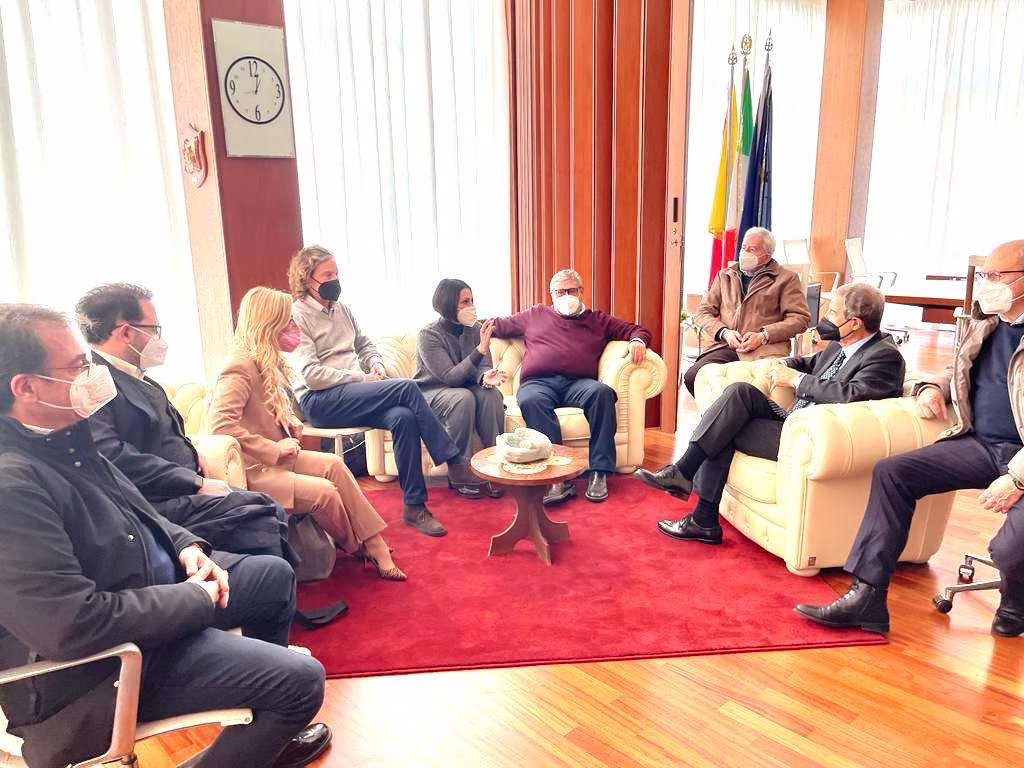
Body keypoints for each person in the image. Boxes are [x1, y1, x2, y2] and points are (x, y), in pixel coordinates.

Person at [0, 304, 330, 768]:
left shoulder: (65, 438)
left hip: (150, 598)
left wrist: (185, 545)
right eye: (77, 367)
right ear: (26, 387)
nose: (91, 375)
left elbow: (135, 505)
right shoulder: (12, 485)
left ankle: (260, 743)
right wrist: (193, 597)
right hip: (100, 670)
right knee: (302, 680)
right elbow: (72, 625)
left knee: (272, 576)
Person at [796, 240, 1024, 637]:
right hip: (983, 445)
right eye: (985, 274)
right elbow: (958, 368)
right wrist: (932, 387)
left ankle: (1017, 603)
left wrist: (1018, 478)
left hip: (1021, 459)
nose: (986, 284)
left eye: (996, 276)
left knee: (1007, 551)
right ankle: (866, 597)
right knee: (894, 473)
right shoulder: (986, 322)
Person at [639, 283, 903, 544]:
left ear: (854, 323)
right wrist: (781, 363)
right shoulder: (840, 345)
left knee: (724, 427)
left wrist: (796, 380)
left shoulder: (884, 357)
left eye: (833, 312)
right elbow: (809, 363)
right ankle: (687, 484)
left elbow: (852, 395)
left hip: (812, 439)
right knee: (740, 393)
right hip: (793, 421)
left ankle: (698, 507)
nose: (825, 317)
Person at [75, 284, 289, 559]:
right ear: (126, 332)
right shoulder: (95, 383)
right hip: (150, 502)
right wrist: (193, 483)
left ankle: (273, 581)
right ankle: (262, 582)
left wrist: (192, 451)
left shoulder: (138, 376)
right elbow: (113, 456)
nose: (159, 339)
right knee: (262, 513)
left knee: (266, 508)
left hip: (179, 490)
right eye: (154, 329)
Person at [205, 286, 405, 581]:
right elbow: (220, 427)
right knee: (324, 492)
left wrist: (287, 421)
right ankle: (359, 546)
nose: (294, 327)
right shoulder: (238, 366)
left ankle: (374, 544)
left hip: (275, 459)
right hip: (250, 469)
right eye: (288, 321)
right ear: (269, 323)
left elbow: (262, 409)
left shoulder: (268, 360)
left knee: (335, 464)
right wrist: (273, 449)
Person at [289, 246, 480, 538]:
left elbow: (365, 345)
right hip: (321, 401)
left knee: (403, 417)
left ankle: (414, 507)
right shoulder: (297, 316)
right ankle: (453, 460)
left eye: (336, 273)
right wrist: (361, 378)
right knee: (406, 387)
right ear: (307, 279)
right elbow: (312, 376)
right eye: (327, 275)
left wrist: (375, 364)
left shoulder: (342, 309)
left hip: (353, 393)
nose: (335, 280)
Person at [490, 268, 653, 504]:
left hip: (579, 383)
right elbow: (497, 325)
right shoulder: (535, 314)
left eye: (571, 290)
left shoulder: (598, 320)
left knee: (603, 393)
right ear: (552, 294)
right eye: (560, 292)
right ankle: (558, 476)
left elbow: (637, 329)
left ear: (581, 291)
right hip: (539, 382)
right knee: (530, 400)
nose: (566, 296)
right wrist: (466, 323)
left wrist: (638, 340)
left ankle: (600, 472)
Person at [684, 227, 811, 396]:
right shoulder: (725, 276)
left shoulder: (786, 279)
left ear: (768, 255)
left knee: (748, 389)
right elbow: (703, 312)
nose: (745, 253)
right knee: (693, 376)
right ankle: (721, 412)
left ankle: (734, 412)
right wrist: (724, 333)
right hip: (726, 345)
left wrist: (764, 335)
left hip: (764, 350)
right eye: (744, 248)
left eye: (752, 249)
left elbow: (800, 319)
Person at [414, 278, 506, 499]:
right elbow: (450, 377)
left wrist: (485, 376)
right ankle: (459, 469)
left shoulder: (475, 329)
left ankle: (494, 462)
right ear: (448, 304)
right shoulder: (428, 335)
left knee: (492, 395)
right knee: (462, 398)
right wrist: (480, 350)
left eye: (472, 300)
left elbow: (483, 367)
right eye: (465, 302)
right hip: (432, 391)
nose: (471, 306)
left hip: (465, 387)